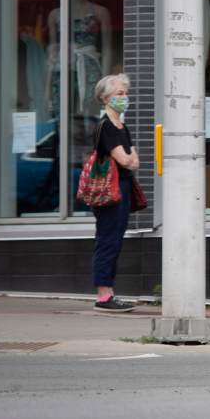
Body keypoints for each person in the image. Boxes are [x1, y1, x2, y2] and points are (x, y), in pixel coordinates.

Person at [91, 73, 140, 313]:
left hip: (122, 187)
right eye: (120, 94)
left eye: (125, 93)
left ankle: (109, 292)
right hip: (109, 190)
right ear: (105, 98)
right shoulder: (107, 126)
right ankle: (103, 296)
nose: (125, 97)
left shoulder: (122, 125)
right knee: (108, 240)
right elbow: (125, 159)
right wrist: (128, 158)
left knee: (116, 240)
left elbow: (135, 162)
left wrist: (129, 159)